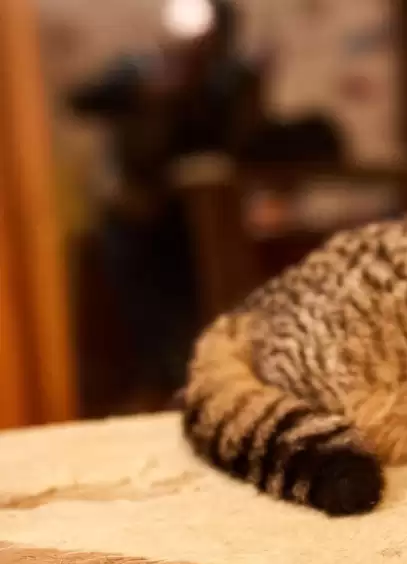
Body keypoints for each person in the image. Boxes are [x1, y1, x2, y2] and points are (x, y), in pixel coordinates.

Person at [67, 0, 263, 396]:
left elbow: (237, 142)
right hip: (134, 220)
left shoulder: (228, 81)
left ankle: (200, 386)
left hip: (191, 223)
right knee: (145, 324)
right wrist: (144, 90)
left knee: (199, 319)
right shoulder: (141, 70)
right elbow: (81, 100)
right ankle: (158, 386)